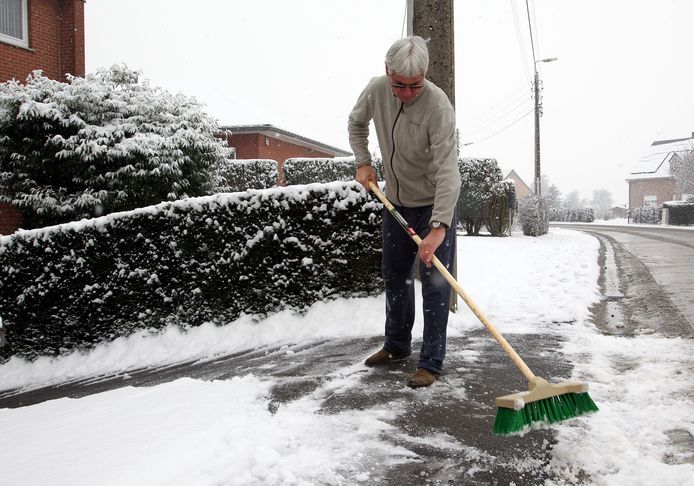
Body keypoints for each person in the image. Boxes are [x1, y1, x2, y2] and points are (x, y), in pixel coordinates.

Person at [348, 36, 460, 388]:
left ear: (424, 76)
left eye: (416, 85)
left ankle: (431, 362)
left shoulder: (438, 106)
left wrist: (438, 227)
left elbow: (448, 171)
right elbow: (355, 123)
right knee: (395, 275)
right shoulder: (377, 90)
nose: (408, 93)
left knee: (436, 284)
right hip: (395, 201)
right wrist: (364, 163)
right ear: (387, 71)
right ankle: (396, 346)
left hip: (432, 206)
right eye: (400, 84)